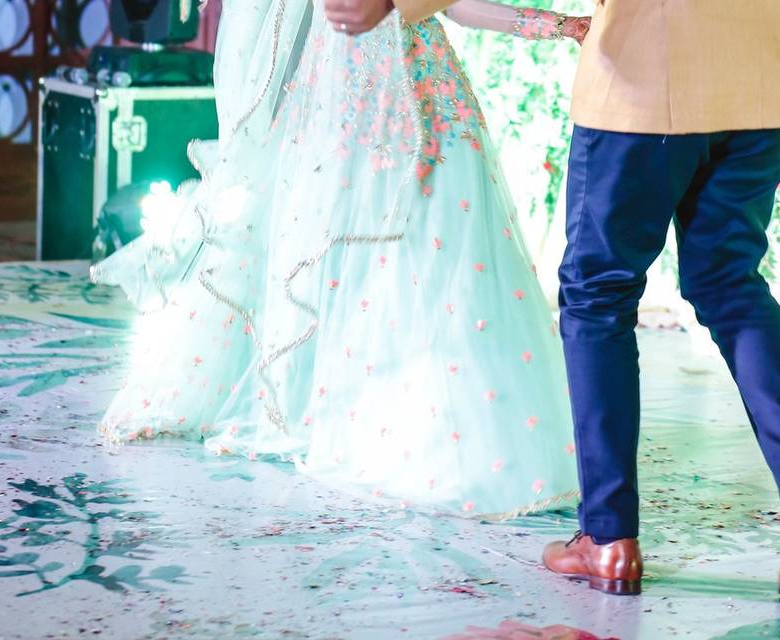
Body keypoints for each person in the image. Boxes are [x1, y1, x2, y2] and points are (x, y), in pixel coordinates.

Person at [329, 0, 780, 596]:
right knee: (730, 281)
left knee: (597, 296)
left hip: (649, 72)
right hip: (770, 70)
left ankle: (607, 538)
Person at [92, 0, 592, 520]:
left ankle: (454, 426)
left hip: (430, 101)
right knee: (362, 263)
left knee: (449, 261)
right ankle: (375, 418)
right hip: (347, 105)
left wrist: (557, 26)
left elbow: (450, 5)